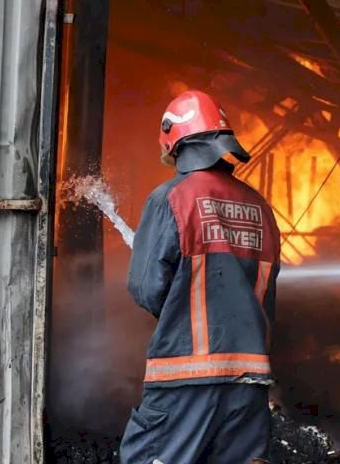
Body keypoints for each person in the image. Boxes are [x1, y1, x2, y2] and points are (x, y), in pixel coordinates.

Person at [120, 90, 281, 464]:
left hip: (185, 379)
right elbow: (268, 291)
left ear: (175, 143)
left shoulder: (172, 197)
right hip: (250, 383)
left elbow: (146, 288)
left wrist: (178, 300)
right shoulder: (260, 206)